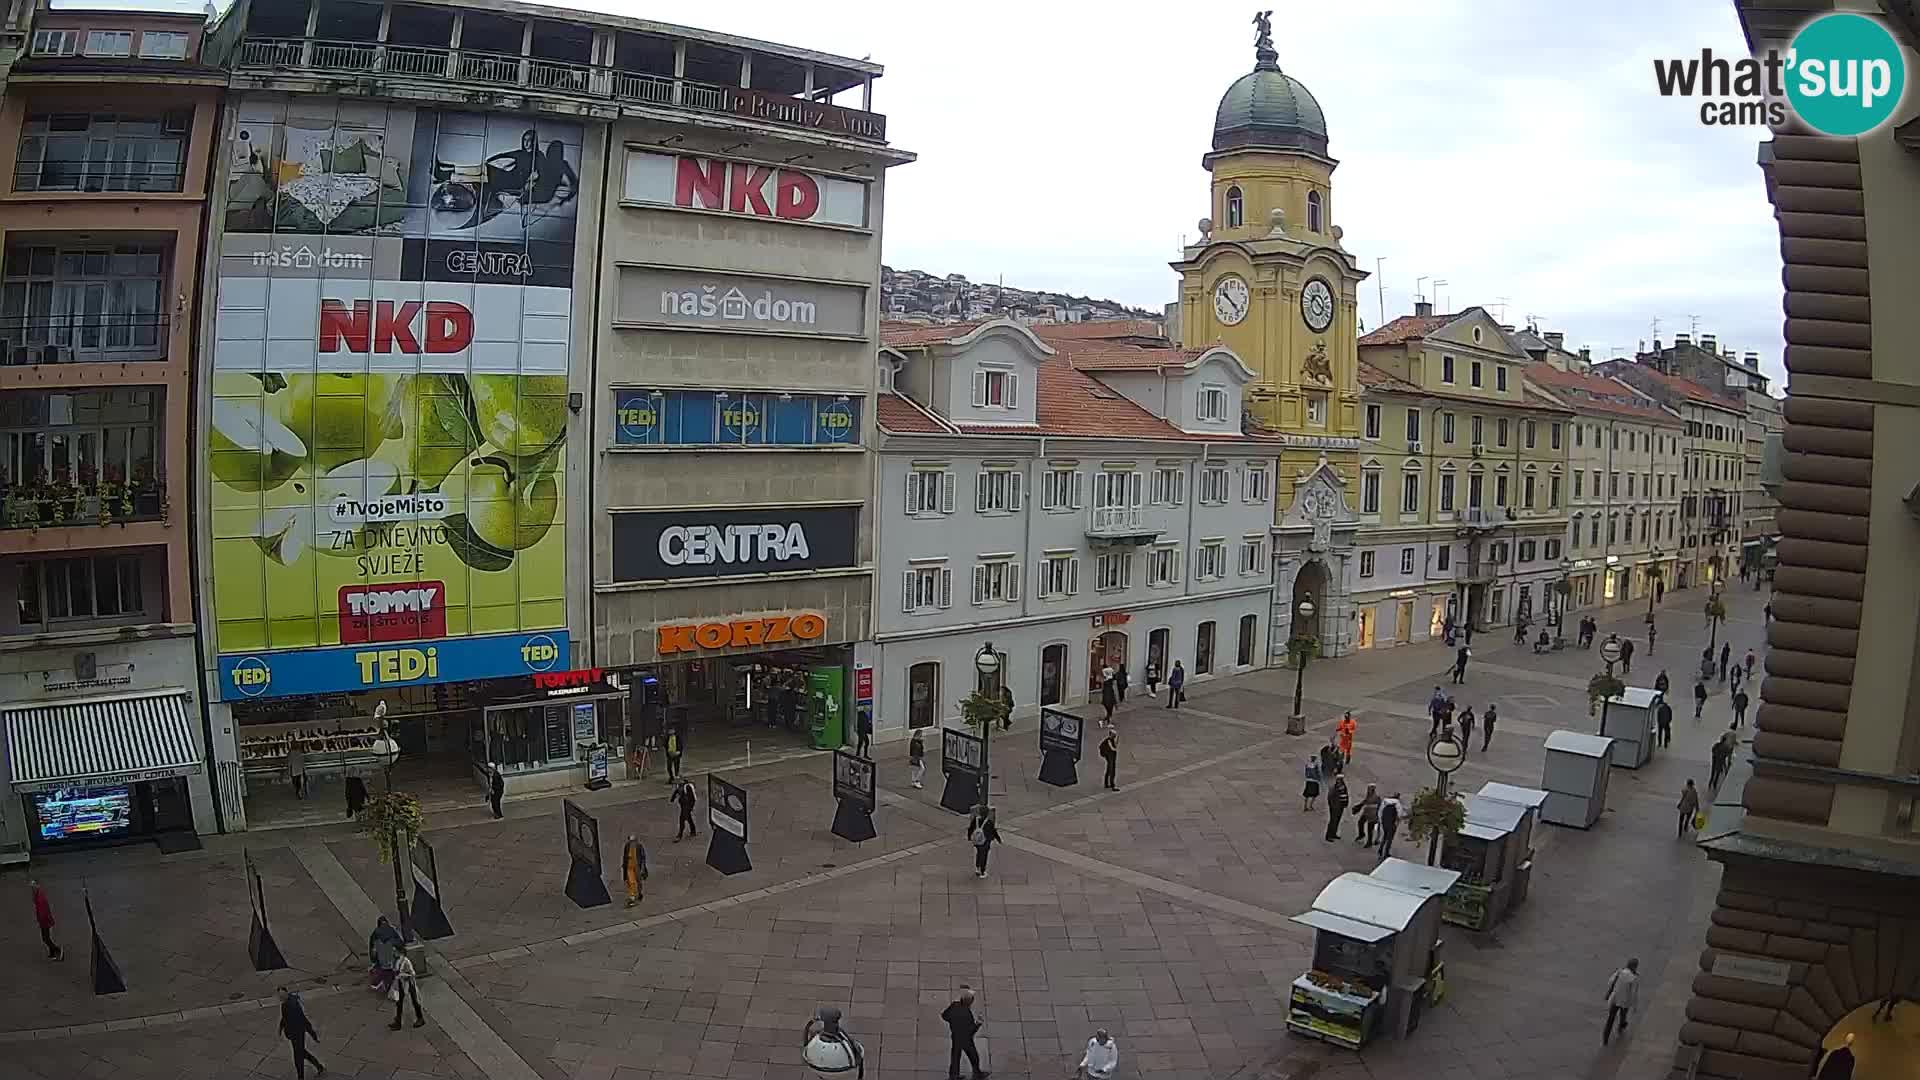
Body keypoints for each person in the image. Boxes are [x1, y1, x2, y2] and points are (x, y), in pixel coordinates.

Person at [278, 987, 326, 1079]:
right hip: (293, 1035)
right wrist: (281, 1028)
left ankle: (301, 1077)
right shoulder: (284, 1004)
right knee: (302, 1053)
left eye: (282, 995)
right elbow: (284, 1017)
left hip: (298, 1034)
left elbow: (304, 1020)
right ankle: (319, 1066)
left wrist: (313, 1034)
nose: (281, 997)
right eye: (280, 996)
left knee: (298, 1059)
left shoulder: (293, 1005)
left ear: (286, 993)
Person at [941, 986, 987, 1080]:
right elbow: (970, 1031)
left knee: (955, 1057)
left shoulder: (954, 1005)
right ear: (969, 1002)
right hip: (966, 1040)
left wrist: (952, 1021)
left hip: (955, 1037)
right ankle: (977, 1074)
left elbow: (944, 1016)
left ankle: (954, 1076)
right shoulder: (967, 1014)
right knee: (973, 1056)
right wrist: (978, 1024)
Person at [1602, 958, 1639, 1045]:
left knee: (1610, 1019)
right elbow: (1634, 994)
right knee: (1623, 1015)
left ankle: (1605, 1039)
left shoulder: (1619, 972)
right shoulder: (1634, 978)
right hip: (1625, 1002)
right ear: (1634, 966)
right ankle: (1621, 1027)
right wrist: (1634, 1006)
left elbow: (1610, 982)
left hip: (1615, 999)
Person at [388, 950, 425, 1030]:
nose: (393, 953)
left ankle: (420, 1018)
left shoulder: (406, 961)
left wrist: (403, 975)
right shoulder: (395, 960)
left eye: (395, 951)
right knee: (399, 1002)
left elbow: (412, 974)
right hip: (400, 983)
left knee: (415, 1001)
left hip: (409, 983)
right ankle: (398, 1022)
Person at [368, 915, 402, 993]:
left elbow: (373, 948)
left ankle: (384, 986)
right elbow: (399, 943)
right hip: (392, 958)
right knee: (392, 973)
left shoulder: (376, 933)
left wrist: (374, 960)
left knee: (384, 973)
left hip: (382, 959)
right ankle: (392, 987)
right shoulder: (391, 930)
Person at [30, 880, 60, 961]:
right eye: (32, 888)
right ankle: (52, 953)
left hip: (45, 921)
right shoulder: (38, 894)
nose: (32, 889)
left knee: (45, 938)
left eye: (33, 887)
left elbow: (43, 912)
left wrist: (41, 921)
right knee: (46, 938)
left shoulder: (40, 898)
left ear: (37, 886)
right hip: (44, 921)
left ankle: (57, 950)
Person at [967, 807, 999, 879]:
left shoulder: (976, 820)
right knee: (984, 856)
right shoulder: (989, 822)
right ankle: (982, 871)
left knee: (979, 853)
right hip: (986, 841)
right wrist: (998, 839)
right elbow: (994, 831)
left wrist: (969, 836)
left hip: (978, 841)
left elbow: (970, 828)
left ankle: (977, 867)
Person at [622, 835, 648, 908]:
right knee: (631, 881)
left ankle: (639, 893)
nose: (632, 843)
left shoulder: (639, 846)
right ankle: (632, 896)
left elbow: (643, 857)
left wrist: (643, 867)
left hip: (637, 865)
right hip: (629, 866)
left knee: (639, 881)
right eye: (630, 841)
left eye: (633, 841)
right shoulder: (627, 846)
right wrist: (624, 865)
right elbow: (625, 856)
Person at [1324, 770, 1349, 843]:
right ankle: (1328, 835)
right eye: (1339, 779)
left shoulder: (1343, 786)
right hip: (1335, 807)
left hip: (1341, 806)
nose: (1340, 781)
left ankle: (1334, 833)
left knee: (1337, 820)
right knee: (1333, 821)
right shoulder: (1333, 788)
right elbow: (1330, 798)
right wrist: (1333, 806)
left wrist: (1346, 803)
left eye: (1341, 779)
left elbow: (1345, 795)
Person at [1378, 793, 1402, 859]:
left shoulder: (1385, 803)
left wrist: (1381, 822)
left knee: (1385, 837)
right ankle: (1386, 853)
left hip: (1384, 823)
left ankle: (1380, 849)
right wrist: (1397, 823)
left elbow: (1380, 813)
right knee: (1389, 839)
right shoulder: (1397, 804)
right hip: (1392, 824)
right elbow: (1400, 815)